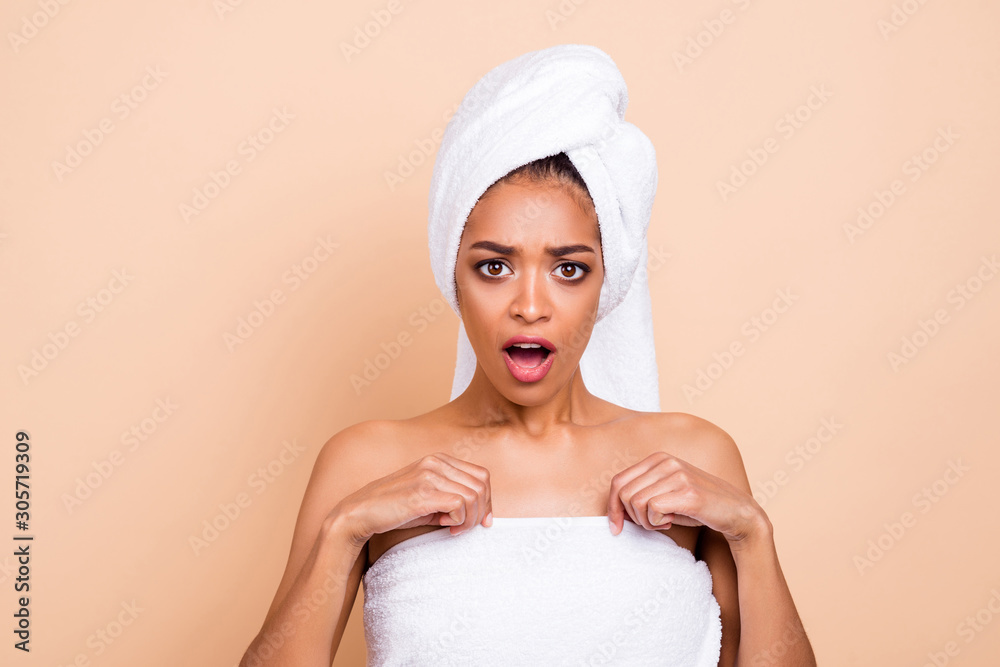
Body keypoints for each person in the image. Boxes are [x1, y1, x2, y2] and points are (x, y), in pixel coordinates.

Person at [240, 45, 816, 667]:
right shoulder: (366, 461)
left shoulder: (694, 456)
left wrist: (753, 534)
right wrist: (344, 529)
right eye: (495, 267)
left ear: (607, 285)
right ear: (453, 276)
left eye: (569, 269)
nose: (531, 306)